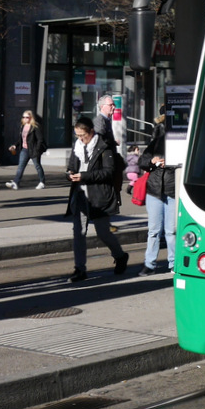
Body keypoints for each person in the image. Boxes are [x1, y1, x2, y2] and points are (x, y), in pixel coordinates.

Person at [66, 116, 128, 283]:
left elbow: (108, 172)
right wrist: (70, 174)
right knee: (79, 233)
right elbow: (71, 166)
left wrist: (84, 176)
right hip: (80, 195)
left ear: (91, 132)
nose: (80, 139)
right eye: (77, 135)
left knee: (103, 232)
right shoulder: (77, 146)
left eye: (82, 135)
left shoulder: (104, 147)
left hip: (99, 196)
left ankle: (120, 256)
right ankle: (80, 269)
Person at [140, 114, 176, 275]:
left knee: (171, 231)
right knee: (153, 230)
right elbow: (143, 161)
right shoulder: (156, 142)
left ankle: (174, 263)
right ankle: (149, 264)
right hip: (155, 190)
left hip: (172, 190)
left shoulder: (181, 144)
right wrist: (152, 162)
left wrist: (169, 163)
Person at [7, 110, 48, 190]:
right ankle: (15, 182)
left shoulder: (35, 127)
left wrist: (37, 150)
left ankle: (42, 182)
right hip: (24, 149)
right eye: (24, 117)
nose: (25, 119)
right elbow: (21, 139)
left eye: (27, 117)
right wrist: (15, 146)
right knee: (21, 166)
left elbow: (40, 139)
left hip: (33, 149)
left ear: (31, 117)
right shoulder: (23, 126)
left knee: (37, 166)